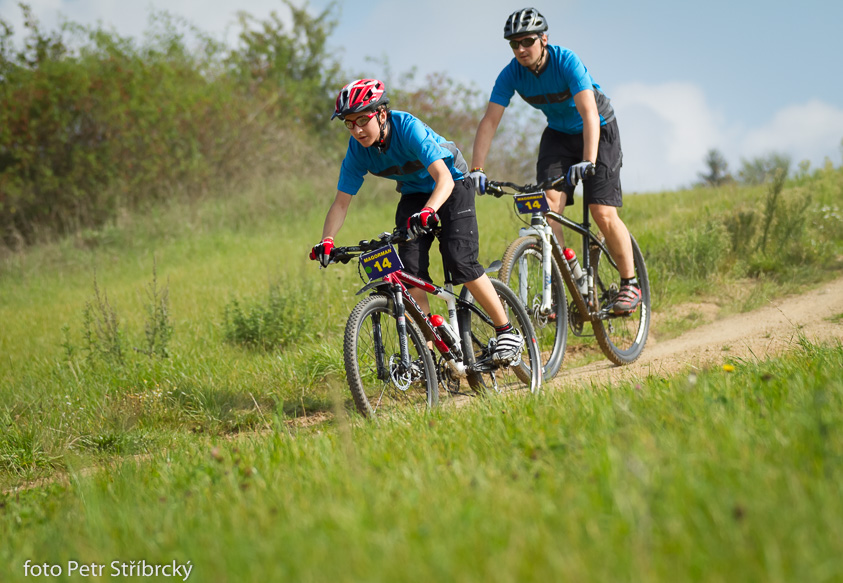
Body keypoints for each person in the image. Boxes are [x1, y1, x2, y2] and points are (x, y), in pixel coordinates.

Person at [309, 78, 524, 364]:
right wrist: (327, 240)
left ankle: (507, 331)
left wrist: (430, 210)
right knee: (410, 274)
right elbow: (340, 203)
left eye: (363, 119)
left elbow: (444, 178)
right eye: (349, 123)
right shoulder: (358, 150)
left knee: (459, 260)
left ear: (382, 113)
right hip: (413, 194)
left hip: (453, 185)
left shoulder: (407, 128)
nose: (357, 130)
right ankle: (430, 353)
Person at [469, 7, 641, 314]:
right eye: (514, 44)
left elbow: (590, 113)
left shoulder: (566, 62)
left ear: (543, 39)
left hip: (598, 129)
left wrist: (588, 160)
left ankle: (630, 283)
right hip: (559, 135)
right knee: (547, 208)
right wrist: (477, 169)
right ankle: (573, 274)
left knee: (601, 211)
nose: (520, 49)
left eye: (527, 41)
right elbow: (490, 121)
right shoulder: (511, 74)